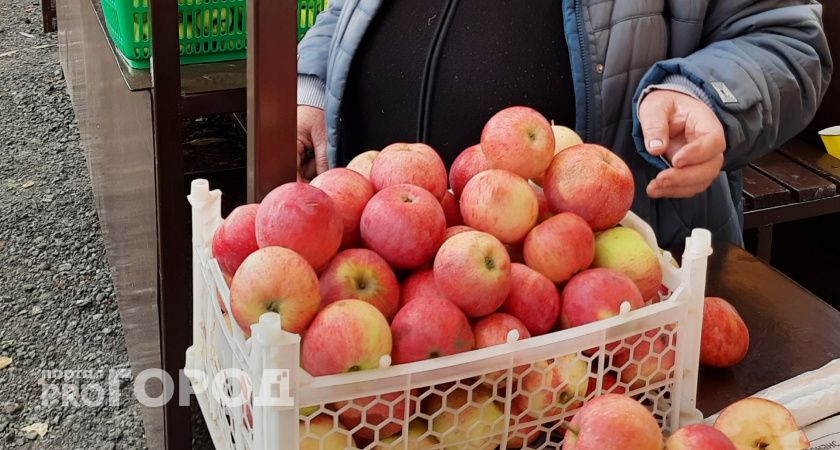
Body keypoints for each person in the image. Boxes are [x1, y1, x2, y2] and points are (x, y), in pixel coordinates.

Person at [296, 0, 832, 248]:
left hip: (603, 303)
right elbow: (345, 9)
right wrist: (315, 87)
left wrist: (699, 92)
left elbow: (784, 39)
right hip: (386, 280)